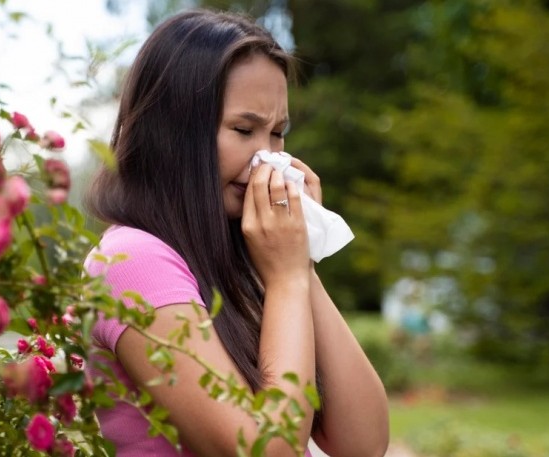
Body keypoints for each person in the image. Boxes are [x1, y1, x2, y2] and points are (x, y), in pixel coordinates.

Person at [84, 9, 389, 457]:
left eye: (278, 133)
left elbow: (362, 444)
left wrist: (299, 264)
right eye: (245, 130)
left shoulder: (241, 257)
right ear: (174, 134)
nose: (267, 158)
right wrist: (285, 280)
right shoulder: (133, 262)